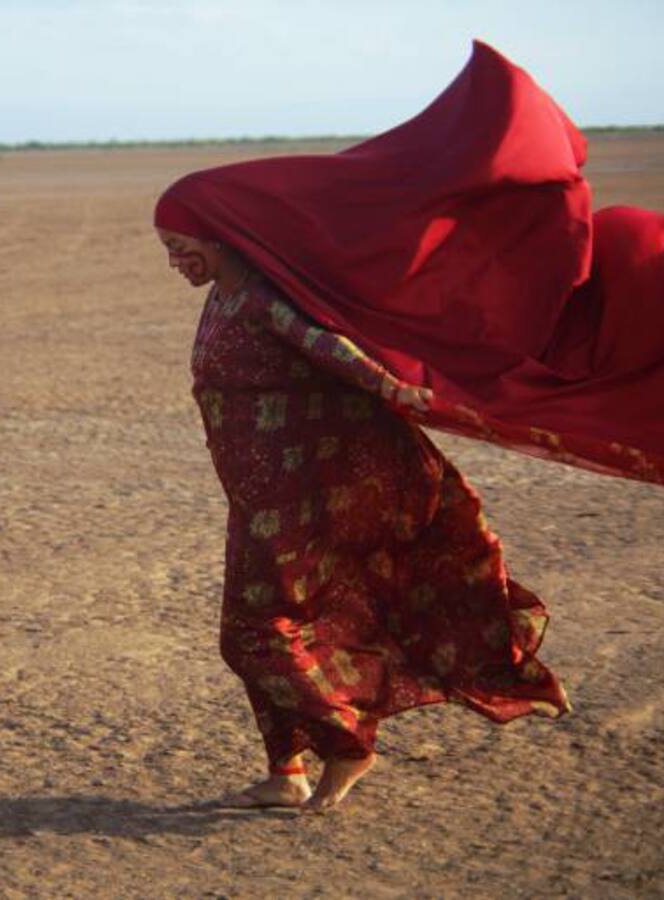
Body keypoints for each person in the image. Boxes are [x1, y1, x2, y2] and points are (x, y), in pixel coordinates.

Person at [154, 41, 662, 812]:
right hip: (255, 501)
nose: (175, 261)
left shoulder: (259, 298)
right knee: (265, 627)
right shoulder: (220, 299)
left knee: (255, 635)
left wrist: (394, 385)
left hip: (307, 499)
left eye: (180, 244)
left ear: (217, 232)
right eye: (167, 251)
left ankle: (348, 747)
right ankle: (284, 771)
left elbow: (331, 349)